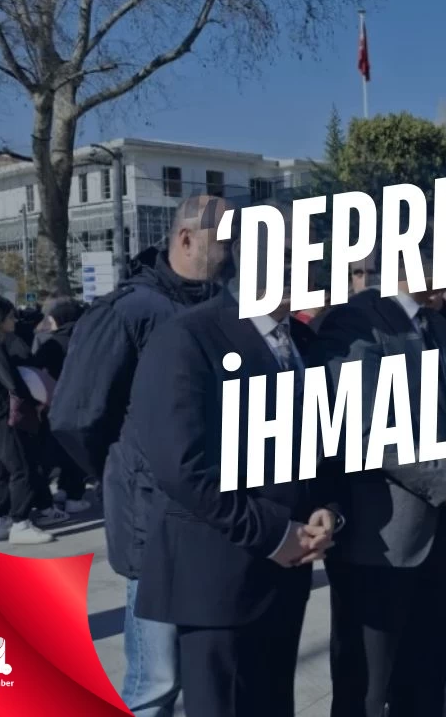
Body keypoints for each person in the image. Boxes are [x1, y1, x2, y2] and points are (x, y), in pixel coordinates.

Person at [131, 199, 340, 717]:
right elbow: (182, 467)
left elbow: (319, 445)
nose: (300, 268)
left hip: (287, 574)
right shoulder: (188, 336)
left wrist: (325, 510)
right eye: (286, 255)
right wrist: (273, 533)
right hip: (217, 578)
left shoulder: (304, 342)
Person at [49, 194, 232, 717]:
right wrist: (126, 469)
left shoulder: (220, 304)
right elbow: (76, 415)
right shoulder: (131, 310)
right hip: (152, 523)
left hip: (212, 518)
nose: (237, 250)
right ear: (186, 239)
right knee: (156, 679)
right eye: (227, 240)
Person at [311, 242, 446, 717]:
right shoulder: (354, 323)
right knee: (366, 686)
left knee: (425, 675)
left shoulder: (437, 324)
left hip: (439, 533)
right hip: (380, 541)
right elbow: (366, 430)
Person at [0, 296, 64, 544]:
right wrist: (34, 403)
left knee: (0, 468)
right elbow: (11, 382)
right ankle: (20, 523)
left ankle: (3, 520)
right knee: (22, 468)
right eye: (11, 316)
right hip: (5, 415)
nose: (14, 321)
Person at [32, 298, 92, 513]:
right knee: (77, 450)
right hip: (81, 403)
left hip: (53, 404)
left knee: (54, 448)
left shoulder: (51, 343)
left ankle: (59, 491)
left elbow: (35, 370)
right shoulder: (86, 340)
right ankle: (73, 494)